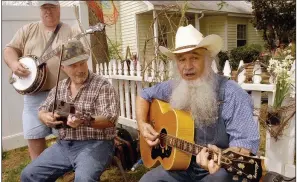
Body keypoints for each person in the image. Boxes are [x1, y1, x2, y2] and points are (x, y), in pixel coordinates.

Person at [136, 24, 260, 182]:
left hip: (219, 169)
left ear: (208, 60)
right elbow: (144, 95)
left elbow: (244, 146)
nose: (187, 67)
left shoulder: (231, 93)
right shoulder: (174, 86)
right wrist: (142, 124)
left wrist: (224, 157)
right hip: (180, 166)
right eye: (181, 59)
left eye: (194, 57)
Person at [21, 40, 120, 181]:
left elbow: (110, 119)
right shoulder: (59, 88)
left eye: (82, 63)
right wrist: (45, 116)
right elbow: (42, 109)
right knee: (29, 175)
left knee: (83, 179)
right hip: (64, 144)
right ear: (63, 68)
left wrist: (84, 120)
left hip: (97, 143)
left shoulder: (102, 85)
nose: (80, 69)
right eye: (73, 66)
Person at [3, 1, 82, 160]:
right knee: (34, 138)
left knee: (68, 138)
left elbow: (80, 64)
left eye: (52, 7)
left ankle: (71, 171)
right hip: (33, 99)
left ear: (59, 9)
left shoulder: (71, 31)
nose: (48, 11)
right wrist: (13, 63)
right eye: (45, 8)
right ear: (40, 10)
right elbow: (9, 50)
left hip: (62, 96)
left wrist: (66, 58)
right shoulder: (28, 30)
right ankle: (39, 173)